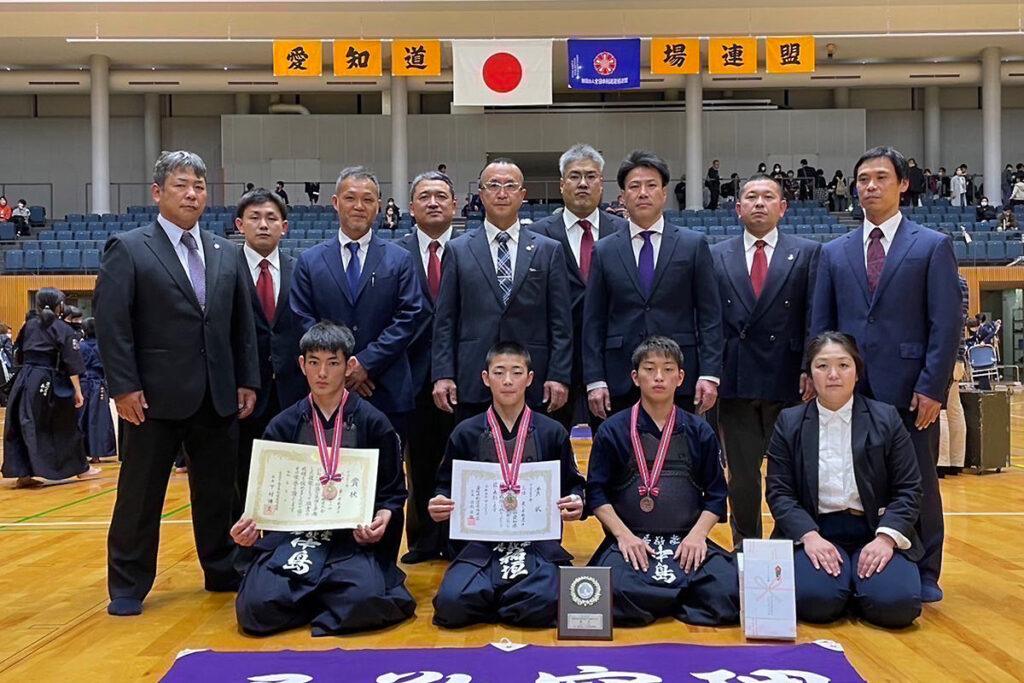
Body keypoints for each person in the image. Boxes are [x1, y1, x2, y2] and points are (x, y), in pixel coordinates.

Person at [94, 150, 261, 616]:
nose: (192, 194)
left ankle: (223, 568)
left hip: (216, 393)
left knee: (218, 492)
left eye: (200, 187)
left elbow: (239, 325)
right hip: (151, 397)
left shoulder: (225, 251)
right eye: (181, 185)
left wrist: (245, 380)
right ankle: (128, 584)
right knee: (139, 495)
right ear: (157, 192)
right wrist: (124, 387)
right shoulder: (128, 248)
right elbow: (113, 324)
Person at [811, 145, 960, 603]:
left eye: (880, 178)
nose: (870, 186)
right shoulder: (834, 252)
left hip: (910, 387)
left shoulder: (932, 245)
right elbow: (822, 323)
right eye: (863, 179)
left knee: (917, 478)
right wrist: (814, 374)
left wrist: (933, 386)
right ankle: (861, 554)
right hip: (848, 388)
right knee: (854, 476)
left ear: (902, 184)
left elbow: (946, 323)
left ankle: (927, 569)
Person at [231, 322, 416, 636]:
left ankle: (310, 601)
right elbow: (265, 497)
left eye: (333, 363)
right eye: (314, 362)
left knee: (367, 600)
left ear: (348, 366)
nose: (322, 373)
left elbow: (393, 493)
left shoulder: (374, 423)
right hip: (296, 540)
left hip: (350, 540)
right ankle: (325, 601)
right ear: (302, 365)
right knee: (254, 610)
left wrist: (382, 519)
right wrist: (250, 526)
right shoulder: (282, 425)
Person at [765, 332, 924, 629]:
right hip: (817, 531)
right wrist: (810, 537)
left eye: (843, 365)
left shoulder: (886, 418)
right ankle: (846, 585)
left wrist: (886, 539)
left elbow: (909, 488)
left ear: (857, 372)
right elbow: (779, 492)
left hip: (874, 529)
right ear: (810, 374)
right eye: (822, 366)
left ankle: (858, 585)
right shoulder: (790, 422)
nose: (833, 375)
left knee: (896, 607)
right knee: (817, 604)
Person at [428, 341, 585, 628]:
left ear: (530, 378)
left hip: (536, 544)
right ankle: (505, 601)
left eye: (516, 372)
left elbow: (574, 485)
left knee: (546, 601)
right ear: (486, 379)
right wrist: (439, 502)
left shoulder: (553, 432)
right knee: (451, 604)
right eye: (499, 372)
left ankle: (497, 602)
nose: (508, 381)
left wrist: (576, 501)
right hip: (481, 544)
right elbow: (444, 486)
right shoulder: (465, 432)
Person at [585, 336, 738, 627]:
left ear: (680, 377)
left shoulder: (699, 431)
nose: (659, 377)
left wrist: (698, 536)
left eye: (668, 369)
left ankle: (658, 601)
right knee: (607, 593)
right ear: (635, 376)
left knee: (731, 591)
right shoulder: (612, 430)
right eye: (649, 368)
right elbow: (596, 493)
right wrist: (623, 536)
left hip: (686, 540)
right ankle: (678, 599)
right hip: (632, 541)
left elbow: (717, 494)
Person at [710, 174, 819, 549]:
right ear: (737, 209)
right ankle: (747, 548)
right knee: (741, 475)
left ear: (783, 208)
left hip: (788, 379)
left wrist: (809, 366)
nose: (759, 203)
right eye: (751, 197)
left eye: (768, 197)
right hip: (735, 379)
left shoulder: (807, 252)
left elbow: (813, 316)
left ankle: (786, 545)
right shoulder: (715, 254)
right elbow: (708, 320)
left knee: (788, 471)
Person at [583, 150, 723, 420]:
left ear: (664, 193)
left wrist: (710, 373)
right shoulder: (604, 250)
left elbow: (710, 316)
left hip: (680, 375)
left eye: (651, 185)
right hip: (619, 378)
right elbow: (593, 321)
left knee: (680, 458)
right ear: (623, 196)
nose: (643, 193)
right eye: (634, 187)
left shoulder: (693, 245)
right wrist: (595, 379)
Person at [290, 166, 425, 441]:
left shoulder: (400, 259)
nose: (359, 206)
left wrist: (366, 363)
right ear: (336, 203)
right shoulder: (309, 261)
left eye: (367, 199)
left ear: (378, 206)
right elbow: (303, 319)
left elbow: (409, 316)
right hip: (328, 389)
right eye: (351, 198)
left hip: (386, 388)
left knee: (387, 479)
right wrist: (342, 368)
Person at [432, 158, 572, 422]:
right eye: (493, 185)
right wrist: (443, 374)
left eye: (510, 186)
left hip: (534, 378)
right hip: (472, 377)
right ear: (481, 194)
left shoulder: (548, 249)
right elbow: (445, 321)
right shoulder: (458, 249)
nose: (502, 193)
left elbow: (561, 322)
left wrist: (559, 375)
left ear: (523, 195)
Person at [530, 144, 628, 430]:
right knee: (552, 449)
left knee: (616, 452)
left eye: (591, 176)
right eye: (574, 176)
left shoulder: (624, 232)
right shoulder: (535, 236)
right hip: (555, 362)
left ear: (601, 183)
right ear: (561, 185)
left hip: (611, 361)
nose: (583, 183)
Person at [395, 171, 458, 563]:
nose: (433, 202)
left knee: (461, 460)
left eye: (441, 196)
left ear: (454, 204)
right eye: (424, 196)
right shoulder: (394, 253)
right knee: (417, 463)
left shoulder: (471, 250)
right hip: (410, 375)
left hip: (460, 376)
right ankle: (420, 540)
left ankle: (458, 537)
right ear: (412, 206)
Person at [234, 188, 307, 519]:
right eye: (255, 218)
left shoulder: (301, 269)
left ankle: (287, 543)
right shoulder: (225, 269)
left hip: (293, 391)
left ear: (285, 226)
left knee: (292, 475)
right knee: (242, 476)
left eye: (271, 218)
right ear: (240, 224)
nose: (263, 225)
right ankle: (244, 553)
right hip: (243, 393)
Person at [2, 287, 98, 487]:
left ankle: (23, 473)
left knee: (21, 424)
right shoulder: (63, 329)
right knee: (66, 424)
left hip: (25, 380)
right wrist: (78, 392)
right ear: (60, 306)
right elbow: (72, 363)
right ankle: (81, 469)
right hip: (48, 380)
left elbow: (18, 353)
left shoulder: (29, 326)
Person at [938, 274, 969, 477]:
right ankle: (957, 461)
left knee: (940, 409)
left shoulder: (943, 280)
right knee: (954, 408)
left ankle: (941, 462)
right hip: (958, 355)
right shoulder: (963, 282)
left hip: (945, 355)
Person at [78, 317, 116, 464]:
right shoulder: (104, 346)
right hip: (99, 385)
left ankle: (80, 453)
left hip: (83, 384)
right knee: (98, 420)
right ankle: (96, 454)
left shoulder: (81, 347)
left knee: (82, 419)